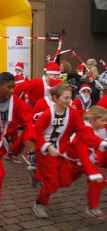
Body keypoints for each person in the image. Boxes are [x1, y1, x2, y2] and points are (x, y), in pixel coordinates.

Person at [30, 84, 107, 219]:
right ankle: (39, 203)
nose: (69, 100)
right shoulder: (47, 114)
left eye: (70, 97)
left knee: (65, 181)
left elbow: (83, 132)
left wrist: (102, 144)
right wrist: (47, 147)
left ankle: (39, 176)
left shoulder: (72, 113)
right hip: (46, 153)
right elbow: (36, 134)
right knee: (53, 182)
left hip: (61, 153)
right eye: (65, 97)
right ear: (55, 98)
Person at [0, 72, 35, 227]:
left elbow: (28, 120)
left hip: (3, 142)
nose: (12, 90)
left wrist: (29, 136)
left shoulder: (17, 102)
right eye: (9, 87)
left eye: (13, 87)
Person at [65, 106, 107, 219]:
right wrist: (93, 172)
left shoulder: (93, 129)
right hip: (75, 162)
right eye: (102, 120)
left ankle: (92, 206)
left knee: (65, 181)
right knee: (62, 181)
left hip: (81, 162)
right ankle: (92, 207)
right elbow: (83, 153)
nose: (105, 123)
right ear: (93, 119)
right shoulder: (85, 131)